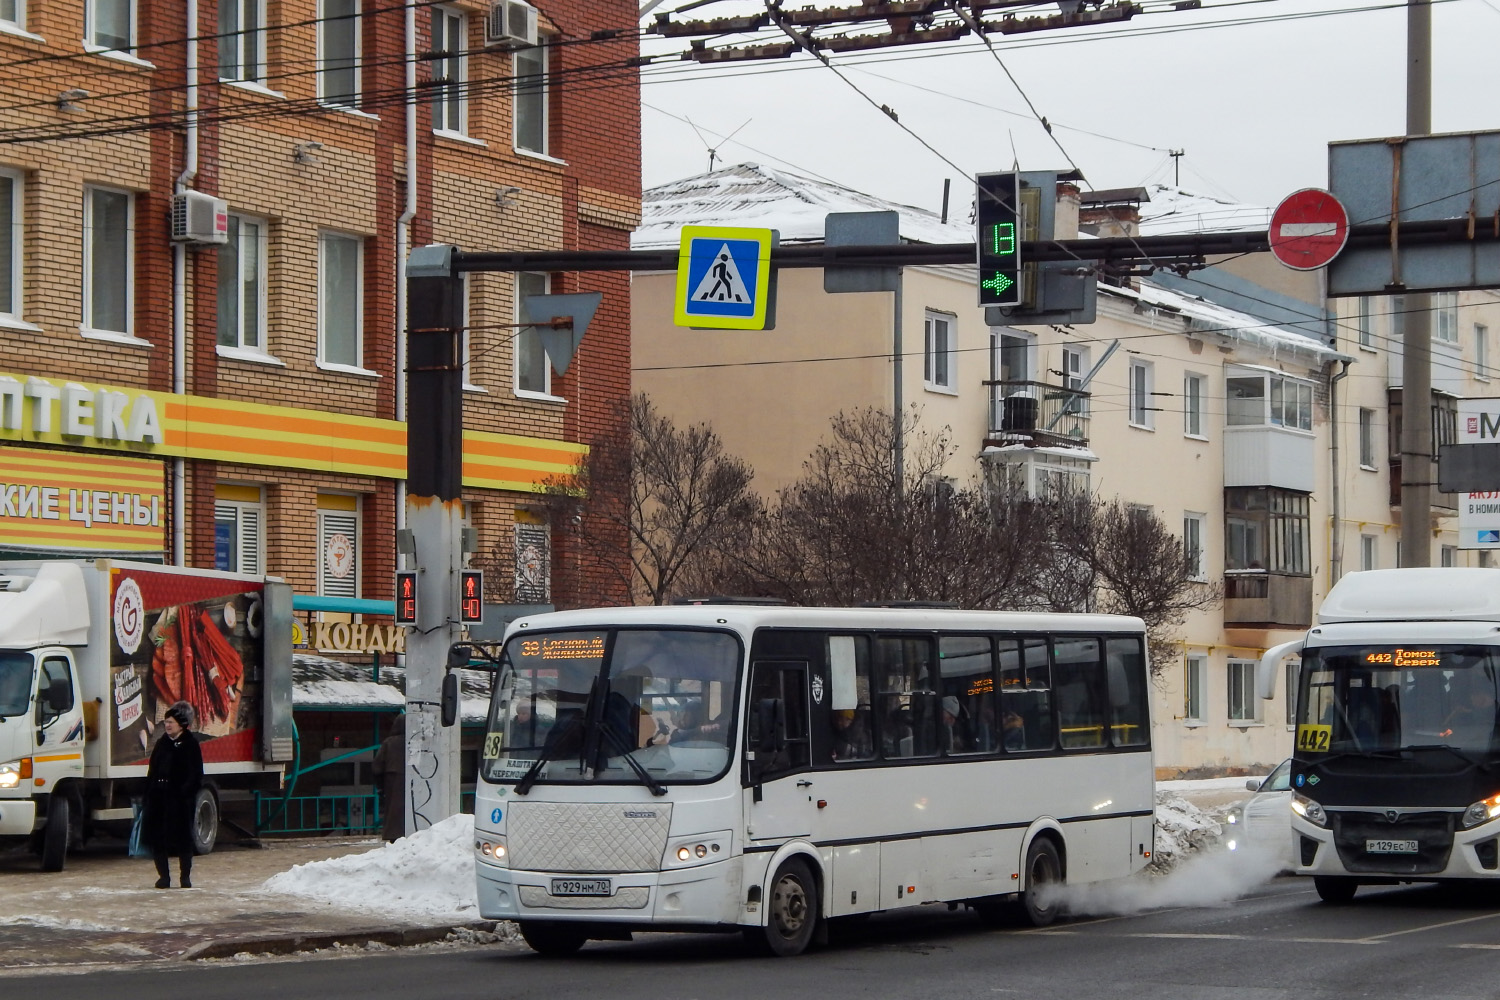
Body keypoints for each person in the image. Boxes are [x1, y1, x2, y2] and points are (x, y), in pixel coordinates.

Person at [143, 700, 204, 889]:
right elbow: (153, 769)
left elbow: (196, 774)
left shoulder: (190, 744)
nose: (167, 725)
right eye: (166, 722)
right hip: (159, 798)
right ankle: (164, 877)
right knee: (157, 837)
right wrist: (150, 790)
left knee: (183, 838)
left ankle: (185, 877)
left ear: (182, 724)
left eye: (171, 722)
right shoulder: (162, 743)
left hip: (180, 800)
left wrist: (184, 793)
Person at [371, 714, 406, 843]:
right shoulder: (416, 742)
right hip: (414, 781)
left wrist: (380, 787)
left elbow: (377, 766)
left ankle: (394, 836)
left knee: (394, 811)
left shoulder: (389, 743)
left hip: (392, 780)